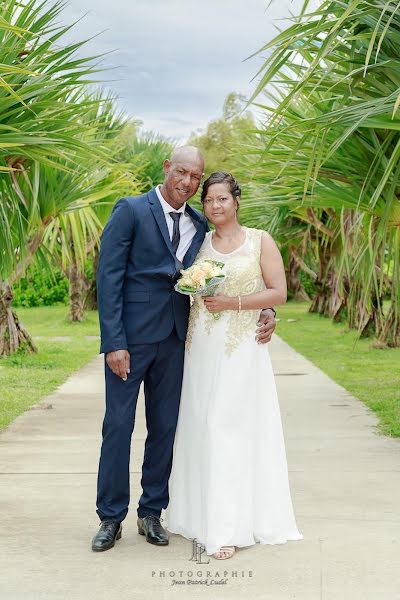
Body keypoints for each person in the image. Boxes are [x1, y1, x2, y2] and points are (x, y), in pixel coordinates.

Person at [91, 147, 277, 551]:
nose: (188, 182)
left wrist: (265, 308)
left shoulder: (198, 224)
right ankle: (110, 517)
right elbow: (108, 277)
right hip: (131, 341)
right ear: (166, 168)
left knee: (165, 429)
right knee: (118, 426)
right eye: (182, 172)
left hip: (177, 342)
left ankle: (151, 512)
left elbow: (232, 272)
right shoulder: (131, 210)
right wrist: (113, 341)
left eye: (196, 177)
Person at [164, 171, 303, 559]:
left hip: (241, 348)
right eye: (208, 200)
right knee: (201, 425)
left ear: (236, 201)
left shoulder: (260, 240)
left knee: (229, 428)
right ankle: (196, 515)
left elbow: (278, 291)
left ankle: (228, 527)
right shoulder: (200, 241)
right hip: (202, 347)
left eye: (222, 198)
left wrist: (251, 307)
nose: (214, 206)